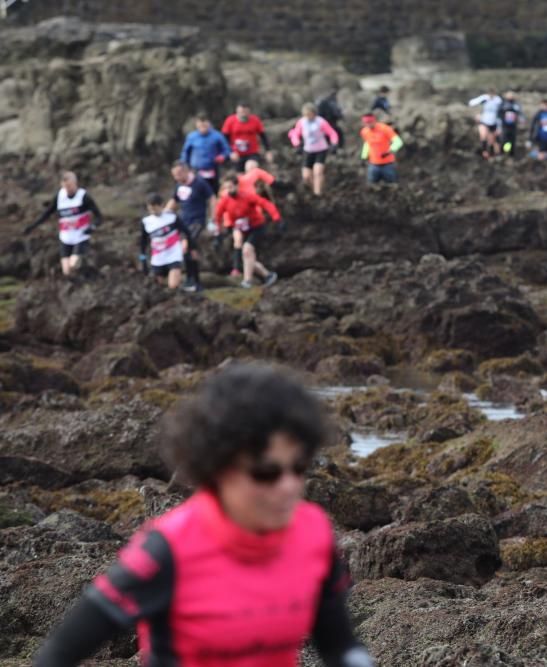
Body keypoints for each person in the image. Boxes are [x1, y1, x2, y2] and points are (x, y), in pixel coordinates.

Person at [33, 363, 375, 667]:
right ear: (217, 469)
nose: (288, 487)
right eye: (266, 473)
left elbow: (341, 647)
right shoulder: (168, 550)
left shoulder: (313, 532)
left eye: (298, 468)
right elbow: (60, 653)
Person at [22, 171, 103, 279]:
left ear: (75, 183)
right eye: (65, 187)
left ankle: (91, 273)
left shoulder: (84, 197)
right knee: (67, 272)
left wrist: (92, 227)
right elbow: (47, 213)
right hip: (65, 238)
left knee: (73, 264)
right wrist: (32, 226)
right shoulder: (60, 196)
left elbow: (99, 217)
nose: (68, 189)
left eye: (70, 186)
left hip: (80, 236)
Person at [213, 174, 280, 289]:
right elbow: (218, 216)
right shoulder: (225, 201)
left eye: (231, 187)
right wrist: (218, 232)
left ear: (237, 186)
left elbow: (264, 203)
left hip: (256, 227)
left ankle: (247, 281)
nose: (229, 190)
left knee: (247, 250)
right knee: (247, 255)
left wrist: (276, 218)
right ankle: (268, 275)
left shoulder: (247, 196)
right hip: (241, 228)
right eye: (226, 188)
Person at [167, 161, 214, 290]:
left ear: (186, 171)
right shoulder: (179, 185)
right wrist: (164, 215)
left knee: (186, 247)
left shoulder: (199, 183)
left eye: (178, 174)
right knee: (190, 251)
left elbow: (211, 198)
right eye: (174, 175)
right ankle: (192, 280)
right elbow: (174, 200)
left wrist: (213, 219)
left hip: (197, 221)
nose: (176, 178)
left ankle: (193, 280)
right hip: (183, 222)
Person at [288, 102, 339, 196]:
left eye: (309, 114)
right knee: (306, 176)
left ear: (314, 113)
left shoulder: (321, 121)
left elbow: (332, 133)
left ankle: (318, 193)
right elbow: (295, 134)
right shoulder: (301, 122)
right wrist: (297, 145)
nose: (308, 116)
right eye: (306, 115)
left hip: (321, 150)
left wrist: (334, 144)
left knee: (318, 171)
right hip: (308, 151)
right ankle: (315, 191)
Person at [138, 193, 187, 290]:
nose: (153, 211)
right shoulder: (146, 222)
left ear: (162, 205)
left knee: (173, 286)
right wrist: (143, 258)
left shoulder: (171, 217)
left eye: (155, 208)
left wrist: (186, 243)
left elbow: (185, 232)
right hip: (158, 257)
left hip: (174, 254)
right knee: (157, 287)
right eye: (151, 209)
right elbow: (143, 241)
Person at [179, 114, 230, 196]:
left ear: (209, 124)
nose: (203, 127)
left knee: (213, 193)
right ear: (197, 125)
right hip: (196, 170)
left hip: (213, 169)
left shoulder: (217, 136)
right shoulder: (192, 137)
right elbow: (185, 153)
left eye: (205, 124)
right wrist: (183, 166)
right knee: (197, 192)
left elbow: (226, 150)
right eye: (201, 125)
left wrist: (222, 156)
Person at [221, 103, 274, 169]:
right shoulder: (230, 121)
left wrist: (268, 151)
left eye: (245, 112)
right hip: (236, 154)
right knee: (240, 176)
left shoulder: (255, 120)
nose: (243, 114)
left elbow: (263, 136)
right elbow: (224, 139)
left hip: (252, 153)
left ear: (249, 112)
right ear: (237, 111)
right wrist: (230, 152)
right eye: (241, 112)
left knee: (251, 168)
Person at [360, 114, 403, 184]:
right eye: (366, 123)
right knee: (372, 186)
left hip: (387, 164)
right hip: (373, 165)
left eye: (370, 122)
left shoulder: (385, 129)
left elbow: (398, 142)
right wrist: (363, 157)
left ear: (374, 121)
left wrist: (389, 151)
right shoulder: (364, 132)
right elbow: (367, 144)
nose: (368, 124)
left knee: (392, 185)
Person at [468, 88, 503, 159]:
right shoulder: (484, 98)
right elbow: (471, 103)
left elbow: (500, 114)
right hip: (484, 121)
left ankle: (491, 154)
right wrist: (481, 102)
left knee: (491, 140)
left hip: (493, 122)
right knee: (483, 135)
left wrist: (499, 126)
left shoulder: (498, 100)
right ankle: (484, 151)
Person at [499, 91, 524, 156]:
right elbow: (499, 113)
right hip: (505, 125)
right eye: (509, 95)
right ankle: (503, 152)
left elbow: (520, 113)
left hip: (513, 125)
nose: (510, 97)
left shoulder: (516, 104)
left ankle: (511, 153)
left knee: (512, 140)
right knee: (504, 139)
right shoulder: (503, 104)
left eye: (512, 95)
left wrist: (521, 120)